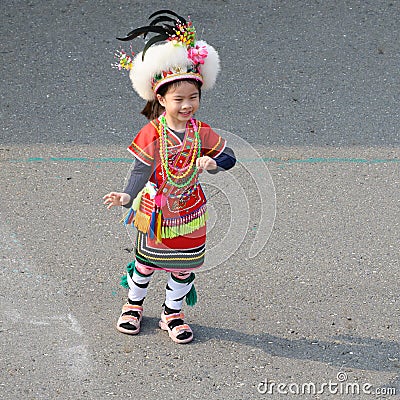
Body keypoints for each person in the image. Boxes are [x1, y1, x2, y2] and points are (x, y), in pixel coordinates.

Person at [103, 10, 236, 344]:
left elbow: (229, 157)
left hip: (191, 213)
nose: (187, 105)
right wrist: (126, 196)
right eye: (179, 99)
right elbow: (140, 169)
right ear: (161, 100)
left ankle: (172, 314)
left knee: (183, 268)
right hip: (156, 212)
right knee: (145, 263)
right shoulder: (152, 132)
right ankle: (133, 306)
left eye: (193, 98)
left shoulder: (201, 132)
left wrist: (212, 163)